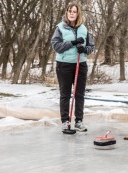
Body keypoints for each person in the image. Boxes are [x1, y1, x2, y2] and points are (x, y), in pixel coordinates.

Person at [51, 2, 94, 132]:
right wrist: (73, 43)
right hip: (64, 65)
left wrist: (84, 49)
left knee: (79, 94)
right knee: (65, 94)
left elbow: (91, 47)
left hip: (80, 64)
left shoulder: (84, 29)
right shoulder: (60, 28)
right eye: (69, 11)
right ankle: (65, 121)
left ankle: (79, 121)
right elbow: (56, 46)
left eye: (74, 11)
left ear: (78, 13)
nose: (71, 13)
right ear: (66, 13)